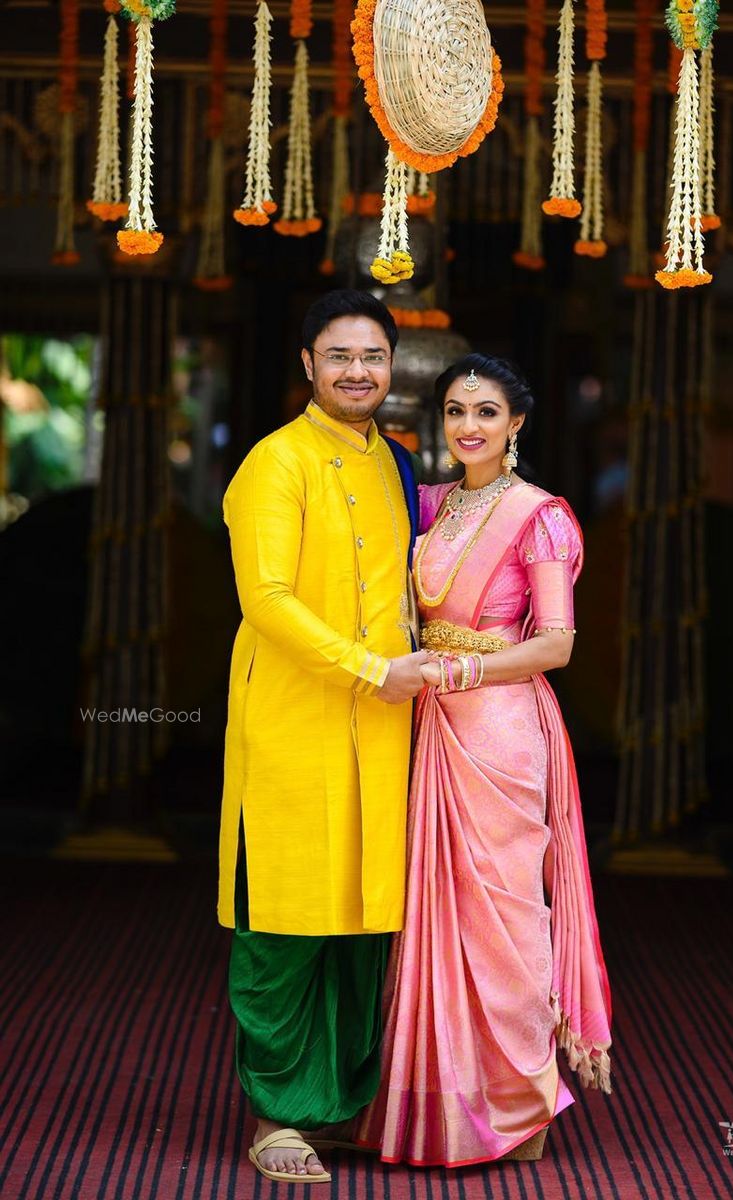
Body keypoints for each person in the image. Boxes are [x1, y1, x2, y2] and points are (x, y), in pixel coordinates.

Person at [355, 353, 613, 1167]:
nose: (469, 426)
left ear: (518, 423)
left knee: (503, 918)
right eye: (457, 411)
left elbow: (557, 642)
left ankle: (521, 1105)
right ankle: (439, 1104)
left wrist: (465, 668)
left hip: (500, 724)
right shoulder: (434, 506)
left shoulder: (538, 515)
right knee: (436, 917)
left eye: (487, 412)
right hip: (432, 725)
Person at [218, 289, 432, 1183]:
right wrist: (372, 668)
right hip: (294, 729)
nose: (357, 372)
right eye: (339, 356)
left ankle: (339, 1109)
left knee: (363, 926)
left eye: (372, 357)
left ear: (390, 367)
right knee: (286, 929)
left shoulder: (399, 465)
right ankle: (277, 1113)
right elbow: (266, 600)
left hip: (386, 734)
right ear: (307, 364)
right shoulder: (276, 462)